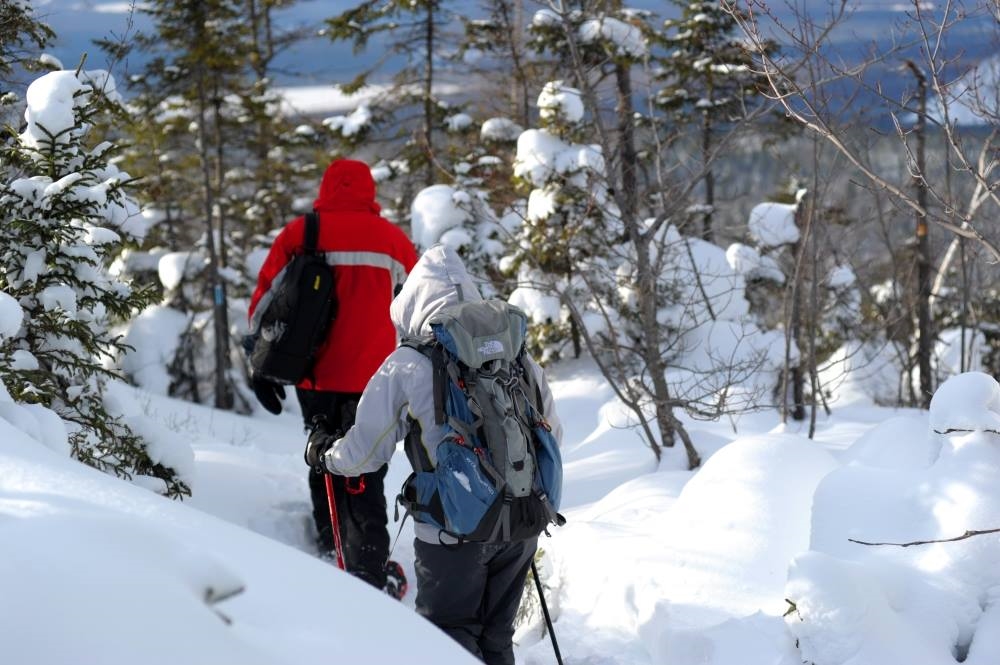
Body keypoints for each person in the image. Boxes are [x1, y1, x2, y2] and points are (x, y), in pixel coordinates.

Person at [305, 244, 562, 665]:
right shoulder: (517, 356)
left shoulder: (408, 363)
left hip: (451, 530)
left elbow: (365, 453)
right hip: (522, 520)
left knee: (448, 641)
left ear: (412, 301)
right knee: (496, 638)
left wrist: (325, 456)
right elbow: (553, 434)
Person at [247, 158, 418, 596]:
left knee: (321, 453)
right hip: (377, 379)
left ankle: (331, 545)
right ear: (368, 191)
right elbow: (421, 306)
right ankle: (369, 566)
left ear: (327, 187)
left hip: (316, 377)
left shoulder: (302, 233)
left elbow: (266, 299)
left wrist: (259, 360)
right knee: (367, 467)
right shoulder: (393, 240)